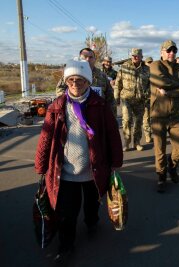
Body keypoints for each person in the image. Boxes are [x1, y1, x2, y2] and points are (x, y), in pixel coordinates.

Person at [35, 58, 123, 262]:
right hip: (65, 172)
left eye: (80, 80)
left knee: (92, 205)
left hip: (93, 170)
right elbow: (46, 137)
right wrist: (41, 164)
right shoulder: (57, 106)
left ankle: (92, 222)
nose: (75, 84)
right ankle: (66, 246)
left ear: (88, 82)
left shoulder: (99, 105)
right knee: (67, 213)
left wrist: (116, 161)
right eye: (71, 80)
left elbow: (111, 134)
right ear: (66, 81)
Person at [149, 40, 179, 192]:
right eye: (168, 50)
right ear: (162, 52)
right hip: (158, 116)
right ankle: (161, 176)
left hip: (176, 117)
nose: (171, 53)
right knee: (159, 150)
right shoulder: (155, 65)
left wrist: (169, 92)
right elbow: (161, 80)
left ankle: (172, 166)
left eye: (174, 50)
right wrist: (178, 85)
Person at [55, 48, 117, 117]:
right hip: (75, 114)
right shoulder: (71, 73)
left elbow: (110, 99)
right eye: (84, 57)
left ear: (94, 59)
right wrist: (68, 102)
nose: (87, 59)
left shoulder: (102, 76)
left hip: (97, 115)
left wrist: (112, 117)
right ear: (80, 58)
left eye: (91, 57)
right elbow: (60, 89)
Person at [114, 48, 150, 151]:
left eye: (137, 55)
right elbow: (118, 83)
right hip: (127, 99)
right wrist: (116, 97)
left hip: (140, 100)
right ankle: (126, 142)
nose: (135, 57)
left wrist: (147, 94)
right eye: (133, 55)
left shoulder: (146, 69)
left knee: (138, 122)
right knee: (127, 120)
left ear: (141, 57)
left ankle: (137, 142)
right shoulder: (124, 67)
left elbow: (150, 84)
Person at [143, 57, 154, 143]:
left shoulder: (155, 73)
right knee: (146, 118)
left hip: (154, 99)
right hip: (146, 99)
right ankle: (147, 135)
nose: (150, 64)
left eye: (151, 62)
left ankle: (152, 133)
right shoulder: (143, 74)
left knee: (153, 118)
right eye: (148, 62)